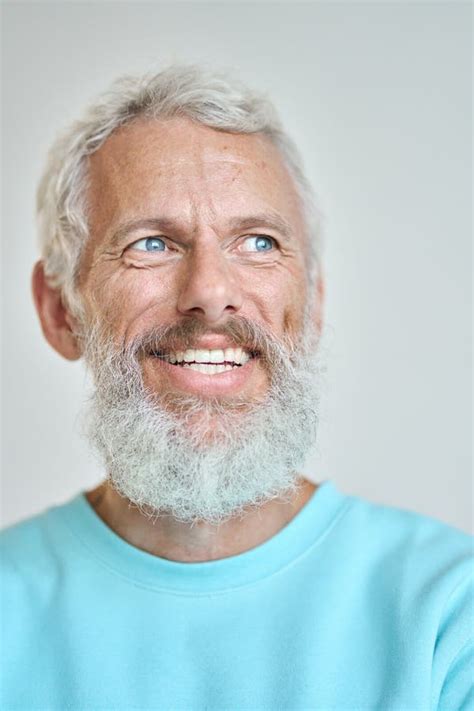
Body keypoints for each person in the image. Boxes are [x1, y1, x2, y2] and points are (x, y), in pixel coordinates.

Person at [1, 65, 472, 711]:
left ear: (311, 305)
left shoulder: (452, 610)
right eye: (152, 243)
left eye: (258, 242)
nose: (211, 294)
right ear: (60, 311)